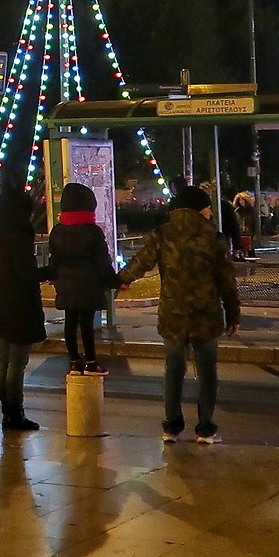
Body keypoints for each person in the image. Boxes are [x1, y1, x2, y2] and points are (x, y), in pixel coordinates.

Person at [120, 185, 241, 444]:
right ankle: (206, 428)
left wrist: (121, 279)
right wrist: (233, 316)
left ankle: (171, 427)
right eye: (208, 207)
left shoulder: (162, 234)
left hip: (172, 315)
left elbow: (141, 262)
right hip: (205, 316)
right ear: (199, 208)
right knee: (207, 372)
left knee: (173, 370)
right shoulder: (214, 238)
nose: (210, 211)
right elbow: (227, 282)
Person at [0, 189, 46, 431]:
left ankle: (7, 411)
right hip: (21, 304)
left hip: (3, 302)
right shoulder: (19, 237)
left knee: (5, 360)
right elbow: (26, 274)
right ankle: (15, 412)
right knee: (17, 362)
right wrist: (49, 271)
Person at [46, 183, 119, 373]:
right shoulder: (92, 232)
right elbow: (102, 261)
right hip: (89, 284)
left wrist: (52, 276)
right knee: (86, 324)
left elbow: (54, 259)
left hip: (66, 284)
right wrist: (113, 281)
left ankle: (74, 360)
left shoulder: (58, 231)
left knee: (70, 322)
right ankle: (91, 362)